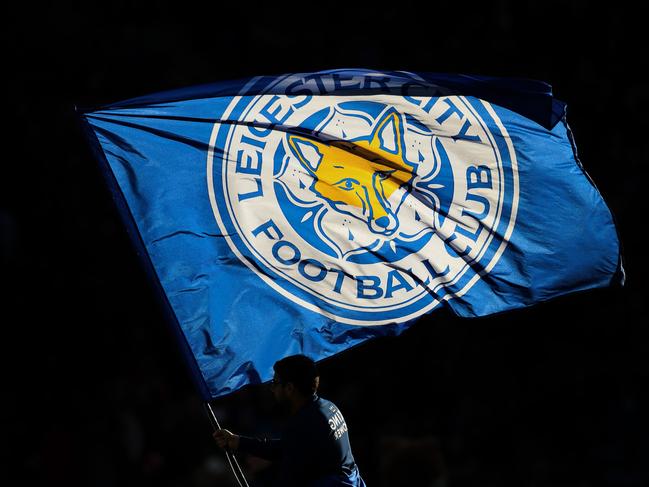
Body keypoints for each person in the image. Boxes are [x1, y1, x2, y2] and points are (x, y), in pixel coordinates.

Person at [213, 354, 367, 486]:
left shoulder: (303, 423)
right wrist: (238, 441)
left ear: (289, 388)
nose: (272, 389)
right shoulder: (327, 407)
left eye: (275, 383)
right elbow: (286, 447)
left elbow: (289, 477)